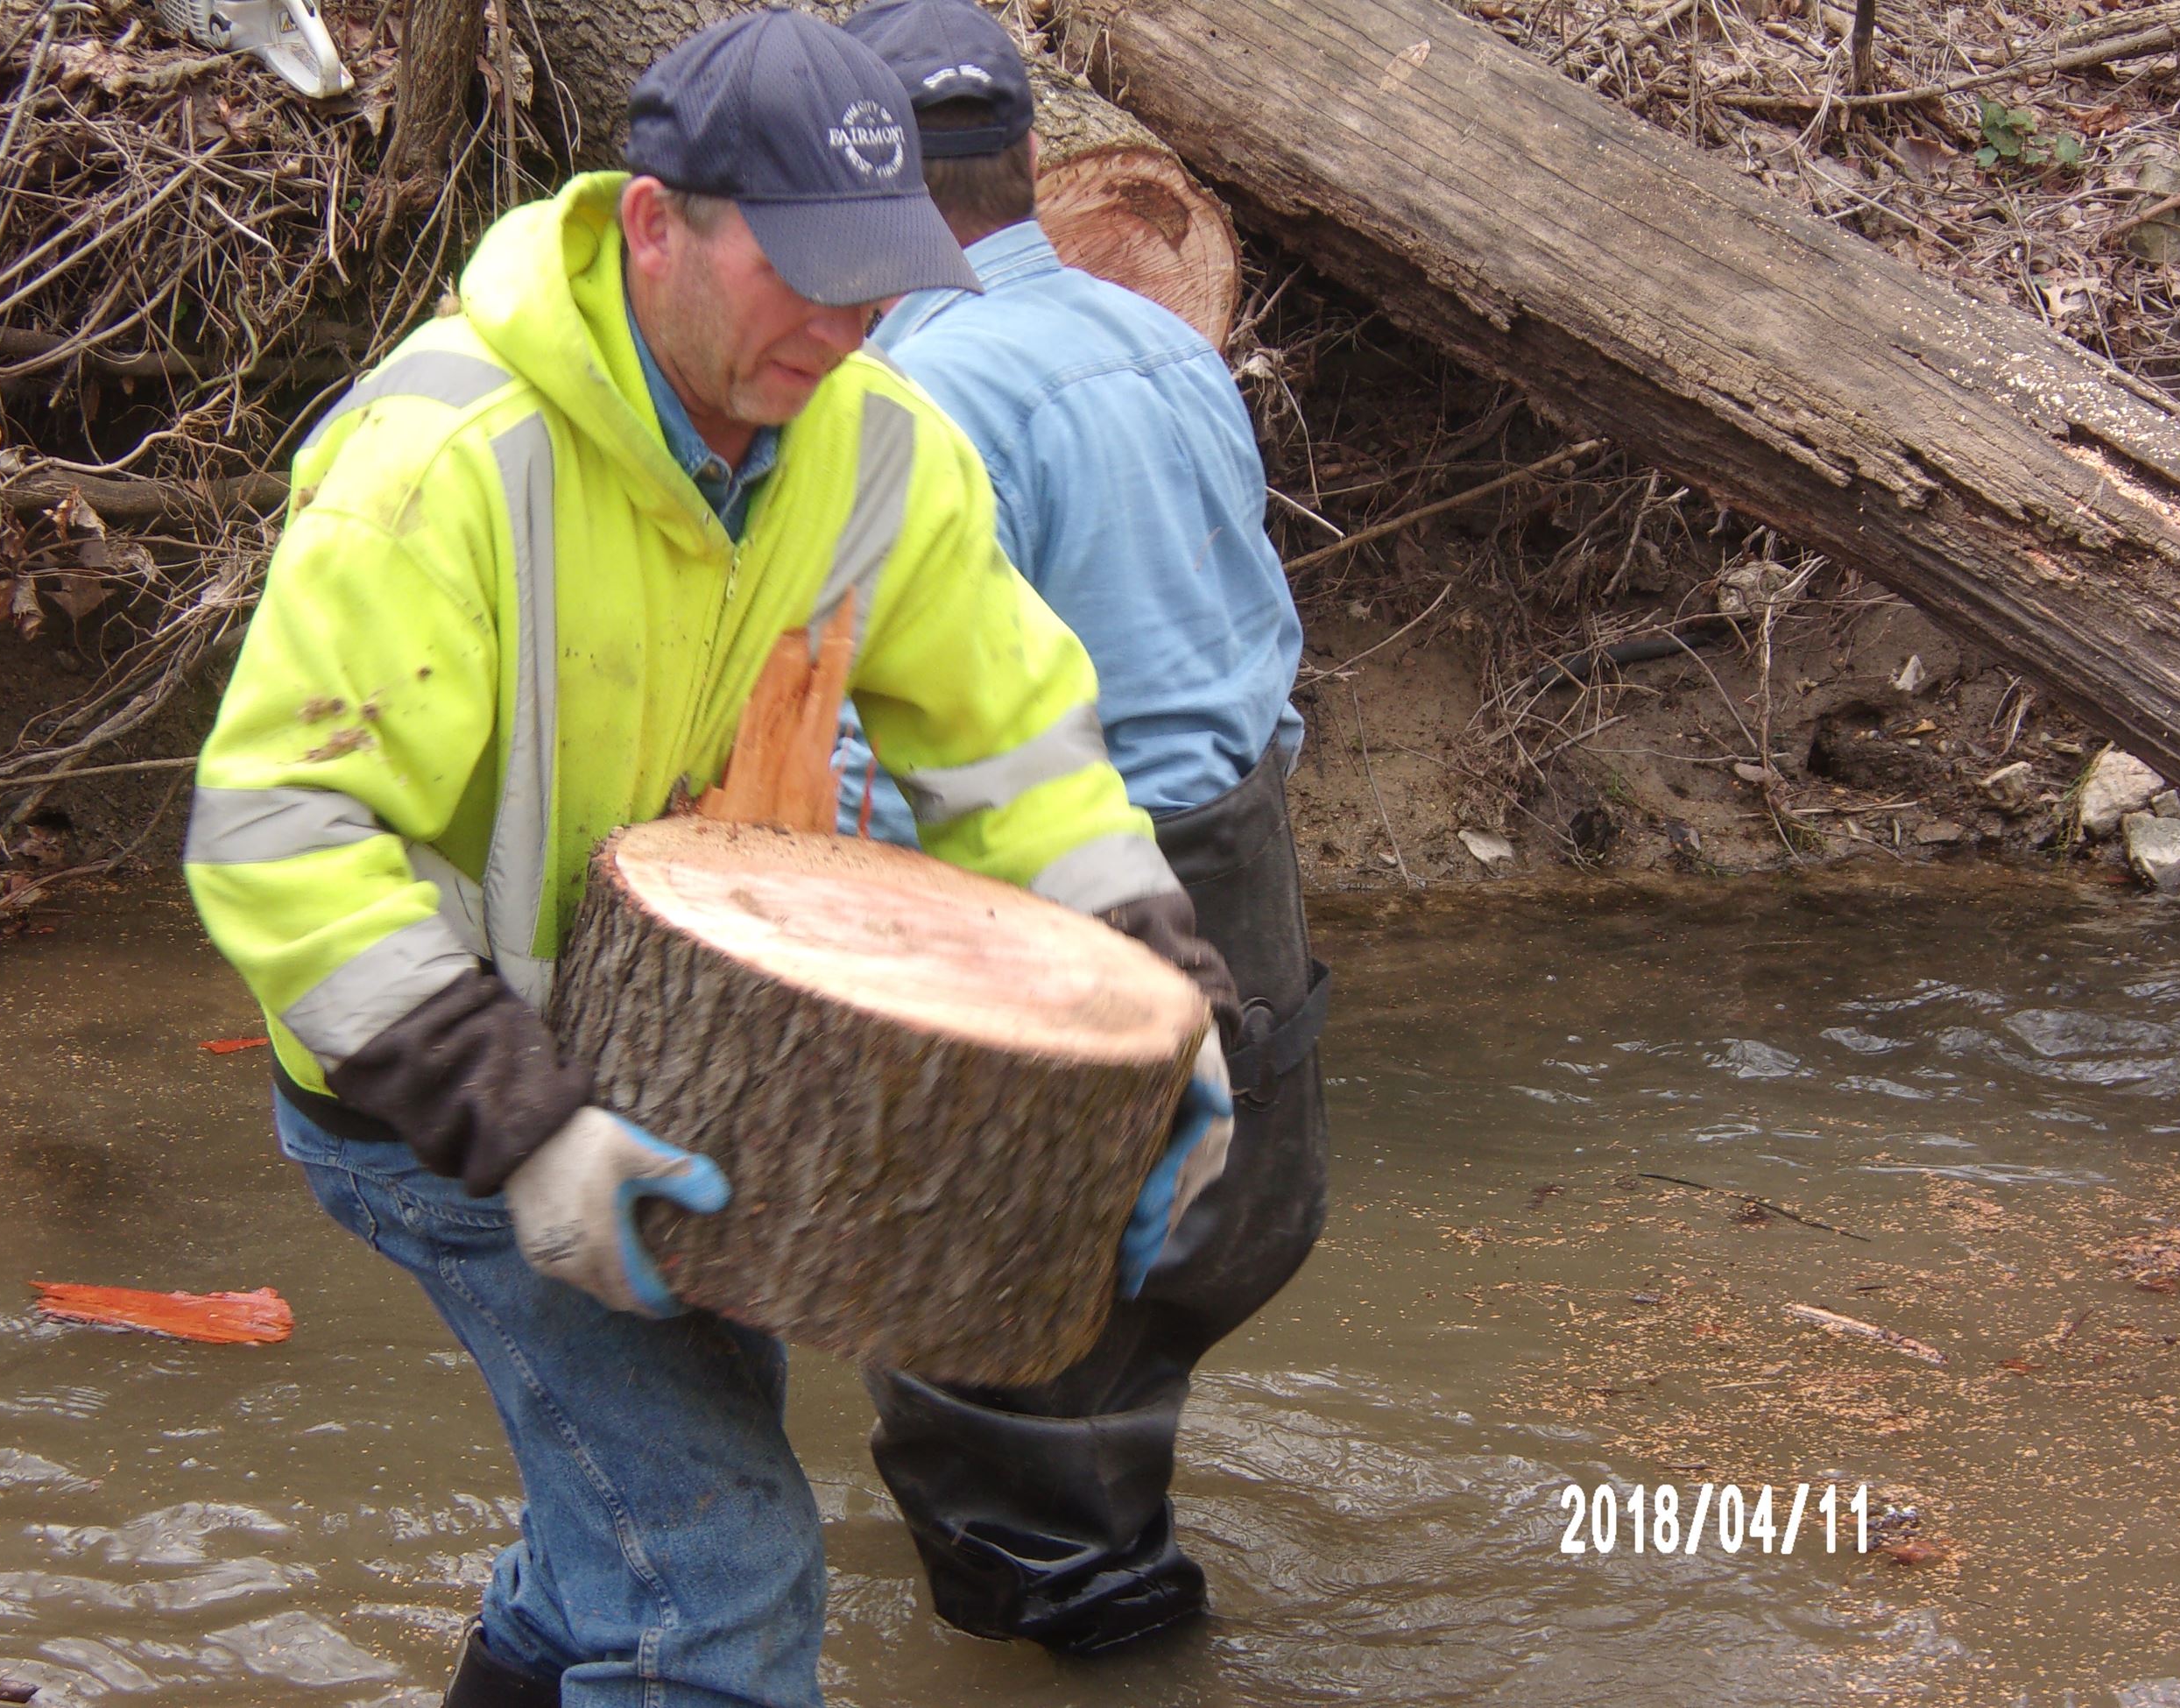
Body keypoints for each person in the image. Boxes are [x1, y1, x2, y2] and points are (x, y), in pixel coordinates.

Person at [180, 13, 1238, 1706]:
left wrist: (1163, 1005)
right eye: (803, 274)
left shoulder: (875, 445)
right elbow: (276, 835)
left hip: (691, 1067)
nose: (846, 325)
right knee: (719, 1584)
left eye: (876, 278)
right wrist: (528, 1136)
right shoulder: (447, 462)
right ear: (654, 220)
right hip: (429, 1092)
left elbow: (1020, 756)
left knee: (625, 1544)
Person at [833, 0, 1332, 1658]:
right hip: (1237, 859)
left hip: (1062, 889)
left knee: (984, 1324)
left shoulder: (911, 399)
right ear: (1033, 163)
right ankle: (1118, 1576)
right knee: (1162, 1269)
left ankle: (1102, 1642)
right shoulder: (1169, 345)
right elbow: (1263, 635)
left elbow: (884, 735)